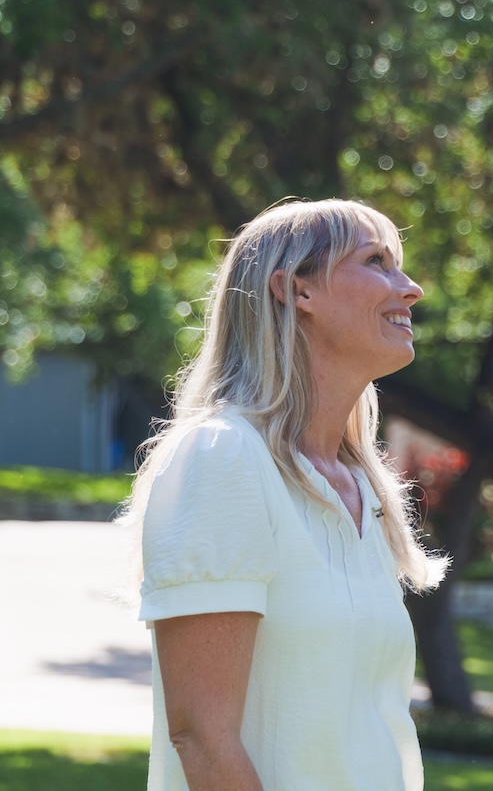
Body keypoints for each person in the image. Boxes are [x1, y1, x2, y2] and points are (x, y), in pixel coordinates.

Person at [120, 198, 447, 791]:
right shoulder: (224, 457)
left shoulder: (362, 485)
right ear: (296, 289)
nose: (411, 288)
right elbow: (202, 736)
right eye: (377, 262)